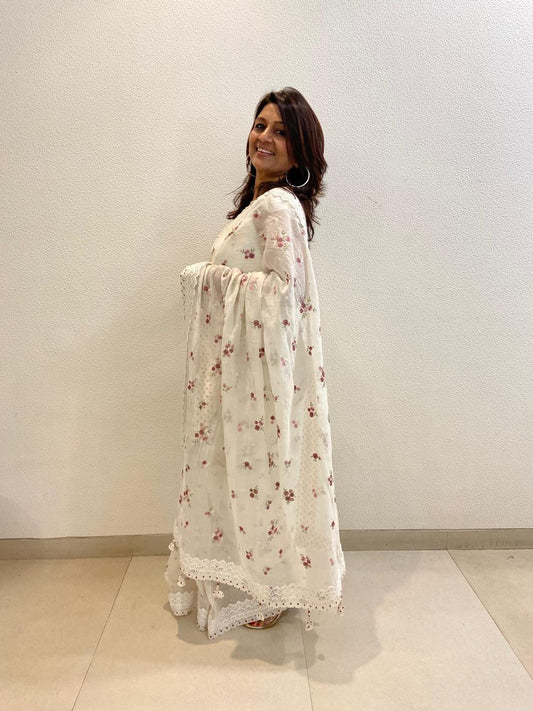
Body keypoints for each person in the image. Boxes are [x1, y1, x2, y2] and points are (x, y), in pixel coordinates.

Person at [165, 87, 346, 640]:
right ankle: (261, 581)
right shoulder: (262, 204)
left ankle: (272, 589)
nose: (264, 137)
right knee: (255, 477)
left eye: (281, 131)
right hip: (246, 376)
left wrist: (211, 278)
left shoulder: (277, 207)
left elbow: (282, 296)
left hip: (256, 382)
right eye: (260, 125)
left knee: (261, 477)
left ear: (300, 151)